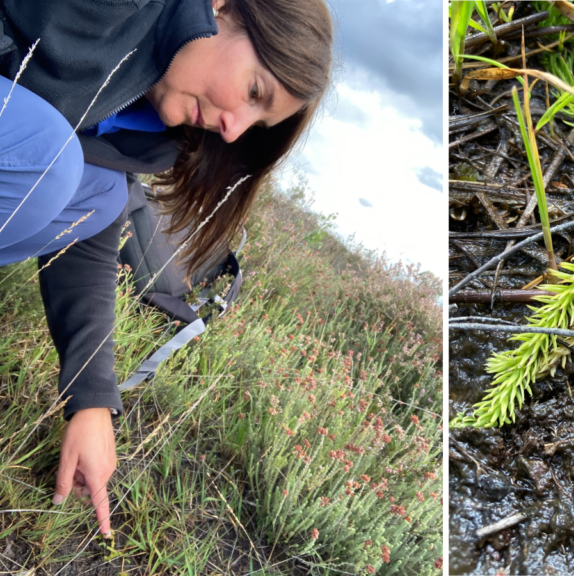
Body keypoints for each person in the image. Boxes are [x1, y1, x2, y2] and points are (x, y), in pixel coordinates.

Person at [0, 0, 333, 537]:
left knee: (103, 196)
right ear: (222, 9)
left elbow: (87, 241)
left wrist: (91, 403)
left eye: (256, 123)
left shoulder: (149, 133)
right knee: (52, 159)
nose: (233, 130)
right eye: (254, 92)